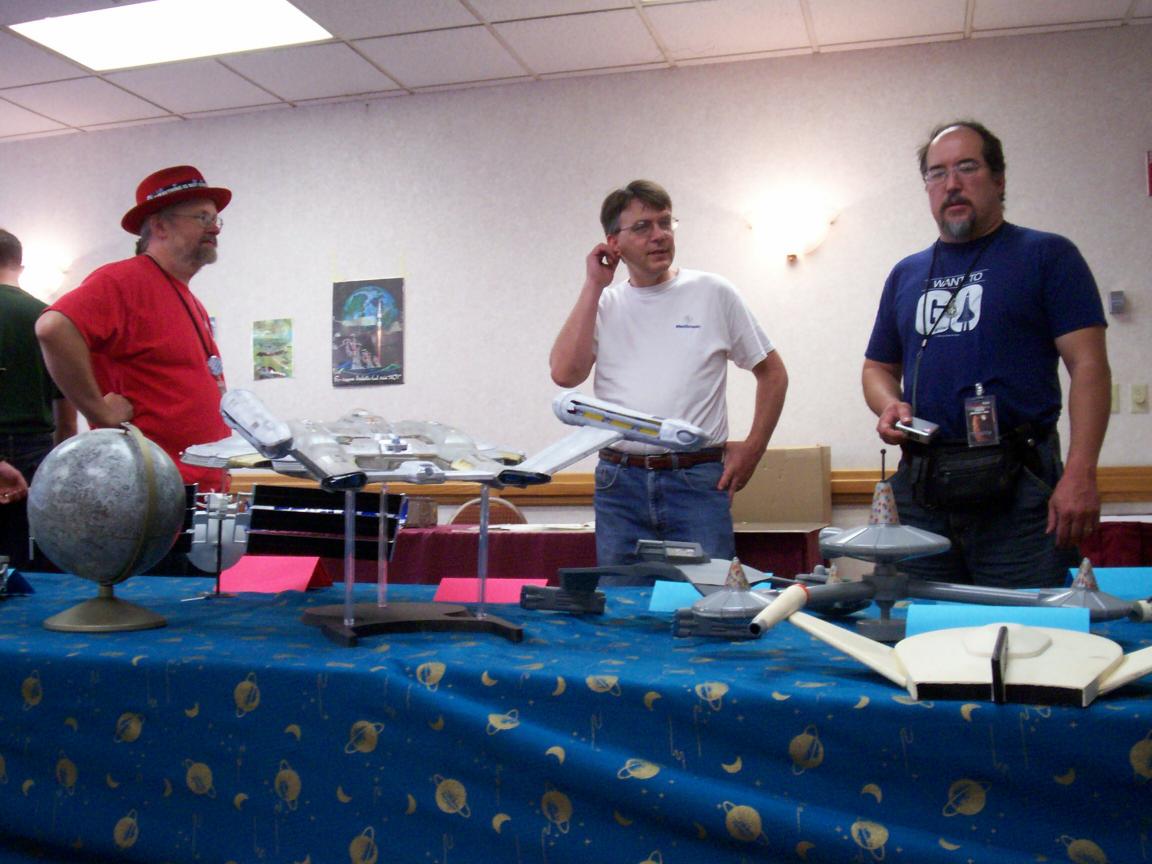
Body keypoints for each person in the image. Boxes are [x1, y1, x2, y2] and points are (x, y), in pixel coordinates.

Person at [862, 120, 1110, 588]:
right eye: (937, 173)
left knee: (1026, 628)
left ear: (999, 179)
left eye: (967, 167)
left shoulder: (1048, 256)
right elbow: (878, 367)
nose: (951, 184)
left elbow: (1089, 367)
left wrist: (1081, 472)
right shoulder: (906, 274)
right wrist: (888, 404)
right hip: (922, 491)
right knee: (918, 624)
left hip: (1019, 492)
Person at [551, 180, 788, 574]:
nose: (659, 235)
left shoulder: (712, 292)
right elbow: (564, 374)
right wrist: (594, 284)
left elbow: (773, 373)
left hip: (694, 479)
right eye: (642, 227)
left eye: (665, 223)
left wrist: (754, 447)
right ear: (613, 243)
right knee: (624, 603)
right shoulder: (603, 302)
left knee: (707, 599)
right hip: (619, 483)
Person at [36, 166, 233, 492]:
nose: (214, 228)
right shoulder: (124, 280)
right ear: (160, 226)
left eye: (216, 219)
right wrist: (98, 410)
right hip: (152, 494)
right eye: (202, 217)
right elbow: (52, 327)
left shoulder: (188, 298)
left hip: (194, 491)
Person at [0, 228, 77, 569]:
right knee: (34, 559)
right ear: (20, 265)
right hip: (37, 451)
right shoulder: (50, 318)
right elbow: (67, 417)